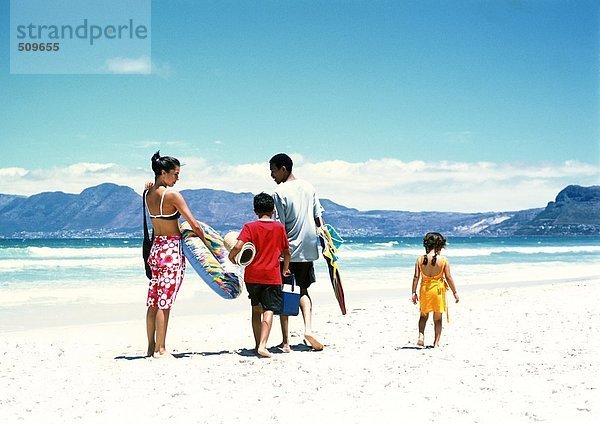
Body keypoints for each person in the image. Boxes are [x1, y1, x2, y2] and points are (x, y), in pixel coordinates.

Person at [144, 151, 206, 358]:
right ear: (163, 173)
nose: (177, 179)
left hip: (156, 249)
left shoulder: (147, 194)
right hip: (171, 250)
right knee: (165, 302)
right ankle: (161, 349)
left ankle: (151, 347)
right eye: (175, 174)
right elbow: (194, 224)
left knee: (154, 301)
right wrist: (207, 245)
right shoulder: (172, 195)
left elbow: (148, 188)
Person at [269, 153, 325, 352]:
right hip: (309, 248)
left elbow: (280, 226)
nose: (272, 175)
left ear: (283, 168)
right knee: (303, 290)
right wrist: (326, 244)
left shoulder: (279, 192)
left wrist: (278, 252)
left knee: (285, 292)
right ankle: (308, 328)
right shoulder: (309, 187)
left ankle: (285, 342)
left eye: (273, 170)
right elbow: (318, 218)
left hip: (289, 250)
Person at [228, 192, 291, 358]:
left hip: (252, 276)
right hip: (272, 276)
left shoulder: (250, 226)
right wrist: (285, 268)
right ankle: (263, 345)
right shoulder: (279, 227)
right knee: (269, 309)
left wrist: (231, 256)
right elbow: (287, 252)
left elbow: (238, 245)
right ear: (273, 210)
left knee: (256, 310)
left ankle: (257, 345)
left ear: (255, 211)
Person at [411, 232, 459, 348]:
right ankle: (436, 343)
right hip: (437, 291)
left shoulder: (420, 259)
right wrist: (455, 292)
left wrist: (413, 292)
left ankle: (421, 336)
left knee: (423, 316)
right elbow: (448, 277)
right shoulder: (443, 260)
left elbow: (416, 277)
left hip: (424, 290)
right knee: (437, 319)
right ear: (439, 245)